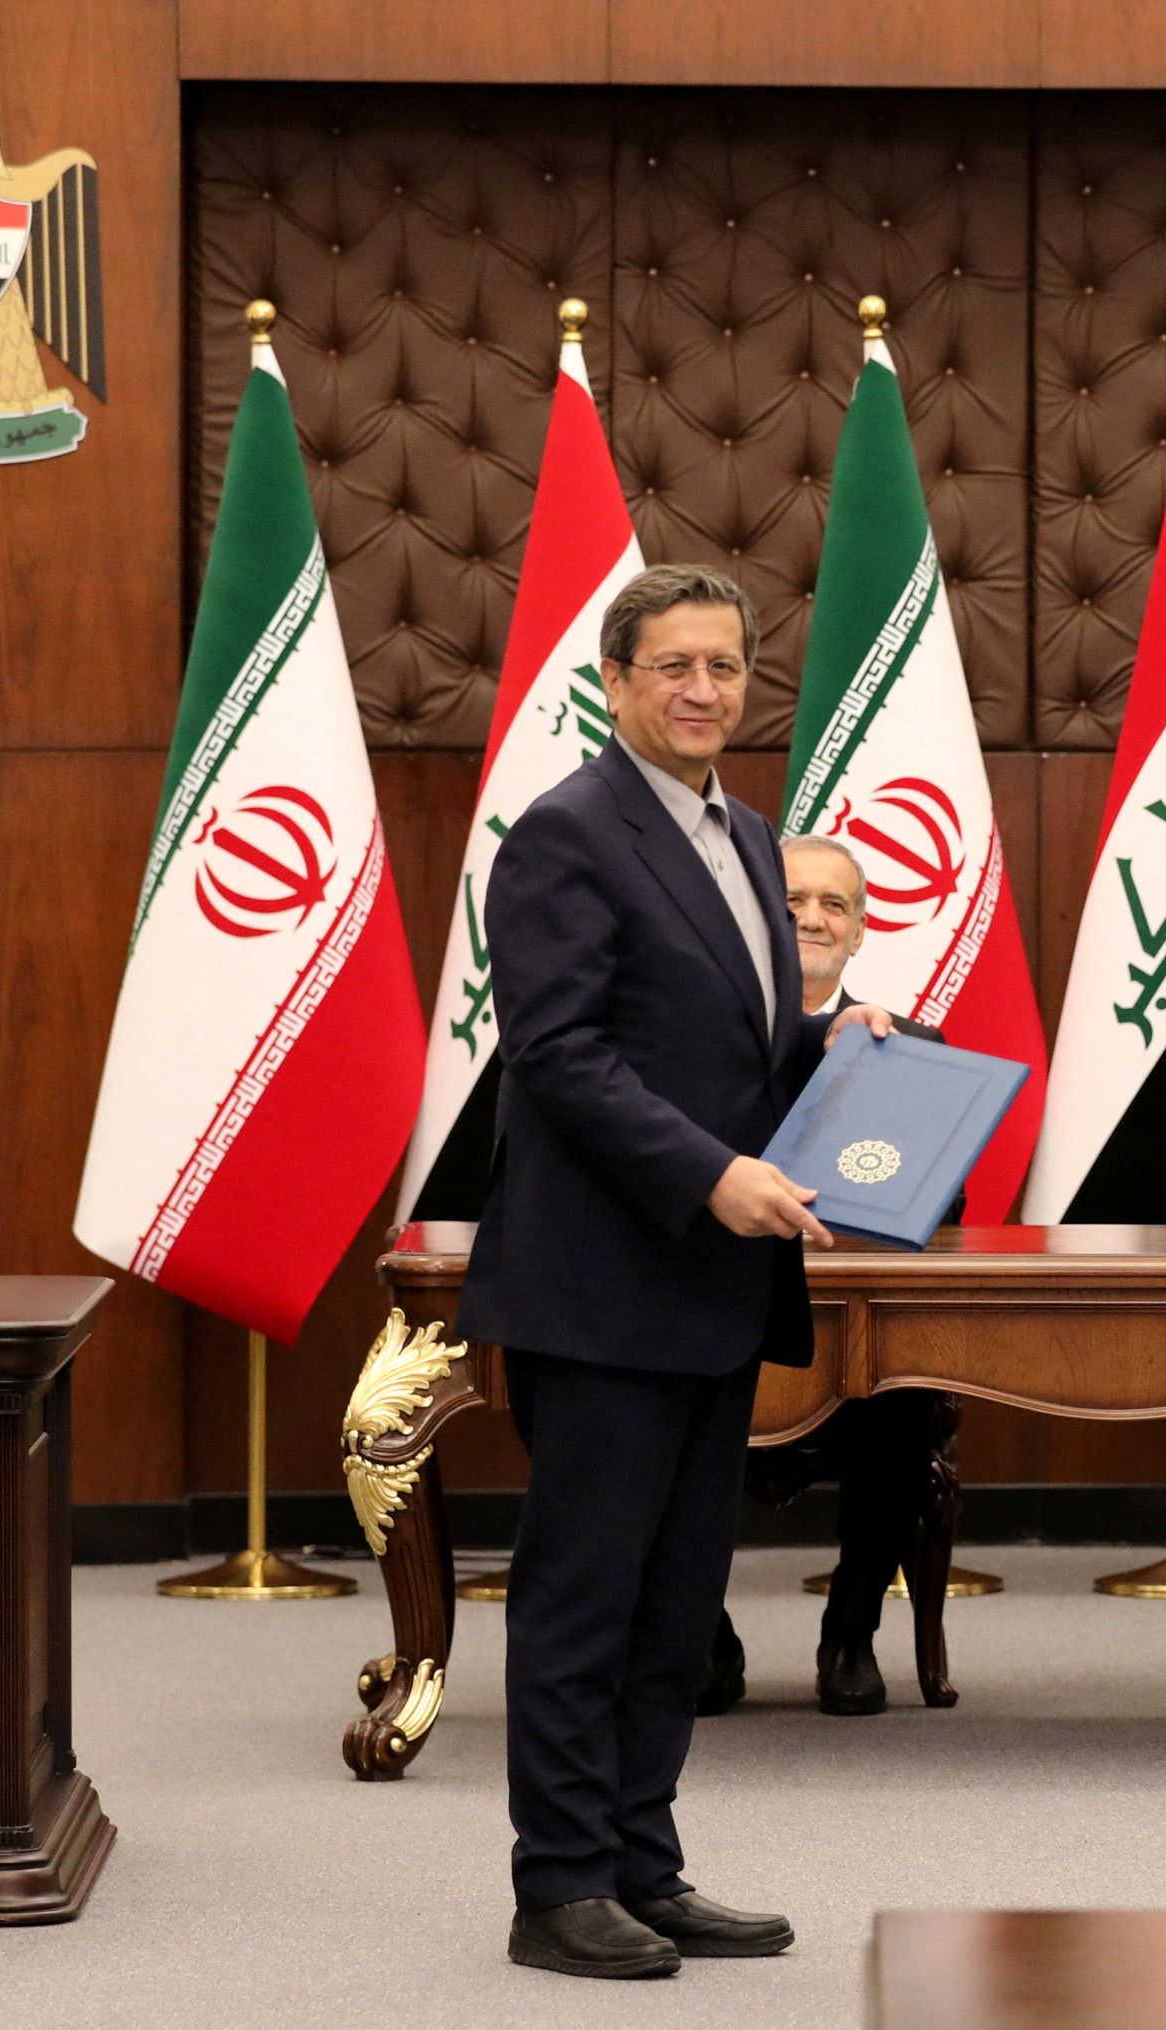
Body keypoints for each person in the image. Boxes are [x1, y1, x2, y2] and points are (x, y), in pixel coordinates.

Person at [455, 563, 892, 1982]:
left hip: (710, 1287)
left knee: (674, 1597)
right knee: (585, 1595)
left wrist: (824, 1054)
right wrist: (711, 1171)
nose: (703, 690)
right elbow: (562, 1056)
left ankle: (643, 1858)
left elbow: (724, 1045)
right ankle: (559, 1883)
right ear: (617, 680)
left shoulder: (751, 835)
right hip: (602, 1281)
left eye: (724, 665)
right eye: (674, 667)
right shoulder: (565, 836)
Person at [693, 834, 954, 1720]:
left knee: (901, 1408)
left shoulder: (912, 1045)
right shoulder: (704, 1029)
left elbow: (944, 1195)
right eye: (794, 899)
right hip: (713, 1299)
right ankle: (702, 1639)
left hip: (862, 1307)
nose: (811, 917)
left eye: (833, 905)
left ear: (862, 929)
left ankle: (851, 1633)